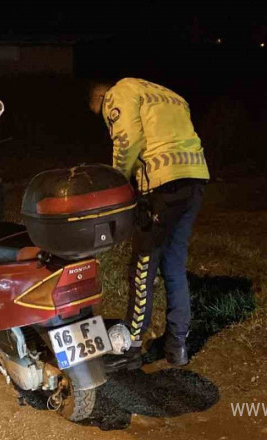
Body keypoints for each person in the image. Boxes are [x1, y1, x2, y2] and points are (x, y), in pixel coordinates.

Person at [89, 78, 209, 370]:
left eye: (101, 116)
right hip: (195, 179)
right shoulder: (172, 95)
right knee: (175, 264)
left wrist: (116, 182)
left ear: (100, 100)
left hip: (162, 185)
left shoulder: (119, 93)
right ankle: (177, 346)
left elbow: (128, 139)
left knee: (143, 265)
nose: (105, 122)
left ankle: (131, 347)